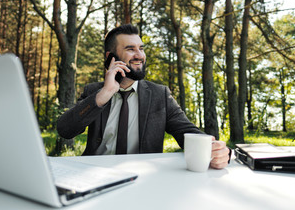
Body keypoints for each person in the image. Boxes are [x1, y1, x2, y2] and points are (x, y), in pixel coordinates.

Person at [57, 24, 230, 169]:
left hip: (143, 177)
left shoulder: (159, 95)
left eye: (141, 48)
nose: (140, 55)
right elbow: (65, 130)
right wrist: (104, 94)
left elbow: (188, 133)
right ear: (111, 58)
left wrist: (218, 151)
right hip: (94, 174)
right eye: (130, 49)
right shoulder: (94, 92)